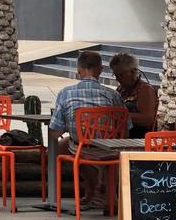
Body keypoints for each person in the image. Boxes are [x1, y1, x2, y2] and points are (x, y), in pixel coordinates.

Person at [51, 50, 127, 208]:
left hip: (81, 148)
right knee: (91, 147)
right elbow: (126, 128)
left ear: (78, 70)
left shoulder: (66, 94)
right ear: (100, 70)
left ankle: (89, 188)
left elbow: (55, 132)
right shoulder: (113, 95)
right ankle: (104, 192)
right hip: (111, 150)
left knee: (59, 147)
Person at [109, 52, 158, 139]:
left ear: (133, 72)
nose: (117, 79)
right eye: (115, 75)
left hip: (139, 138)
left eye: (120, 75)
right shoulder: (121, 89)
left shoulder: (145, 90)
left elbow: (148, 119)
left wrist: (119, 115)